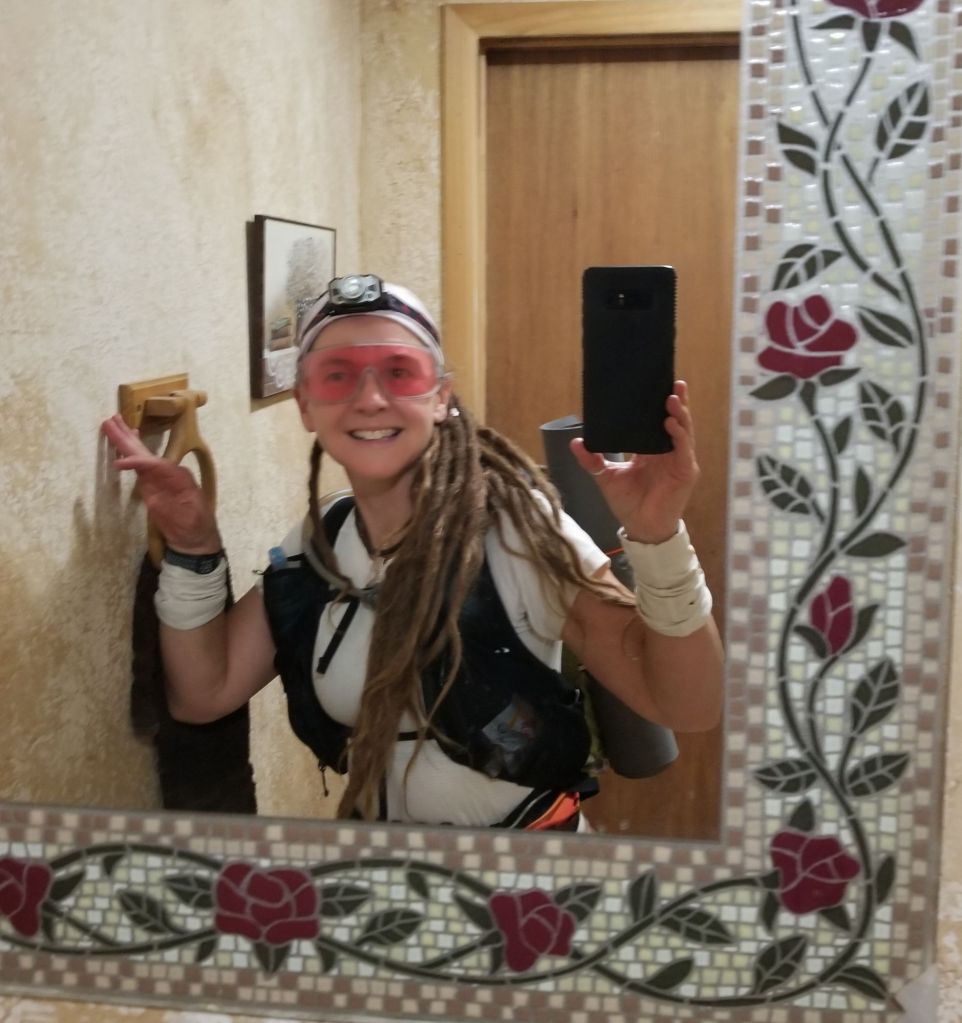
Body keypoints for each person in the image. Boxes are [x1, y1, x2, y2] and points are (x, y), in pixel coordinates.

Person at [102, 274, 723, 830]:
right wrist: (193, 548)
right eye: (337, 374)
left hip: (528, 883)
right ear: (306, 406)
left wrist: (658, 536)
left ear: (441, 396)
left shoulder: (520, 532)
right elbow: (204, 692)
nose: (370, 398)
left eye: (400, 371)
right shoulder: (321, 545)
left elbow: (688, 707)